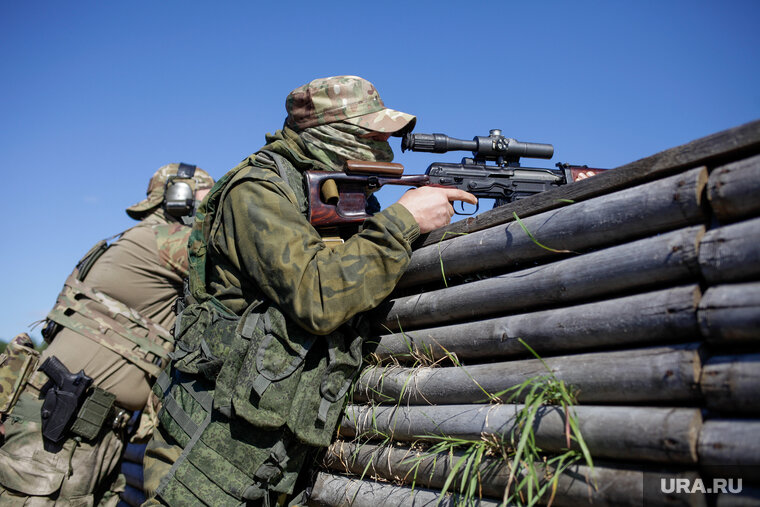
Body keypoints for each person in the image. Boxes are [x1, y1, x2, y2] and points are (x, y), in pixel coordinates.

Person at [142, 75, 476, 506]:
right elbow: (318, 298)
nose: (385, 151)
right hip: (205, 448)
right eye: (371, 137)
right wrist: (403, 220)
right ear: (330, 136)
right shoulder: (257, 190)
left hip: (268, 453)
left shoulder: (334, 195)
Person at [0, 163, 214, 505]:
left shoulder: (148, 242)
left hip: (95, 433)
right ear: (179, 198)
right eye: (206, 199)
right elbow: (238, 257)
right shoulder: (162, 240)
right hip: (59, 430)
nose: (211, 210)